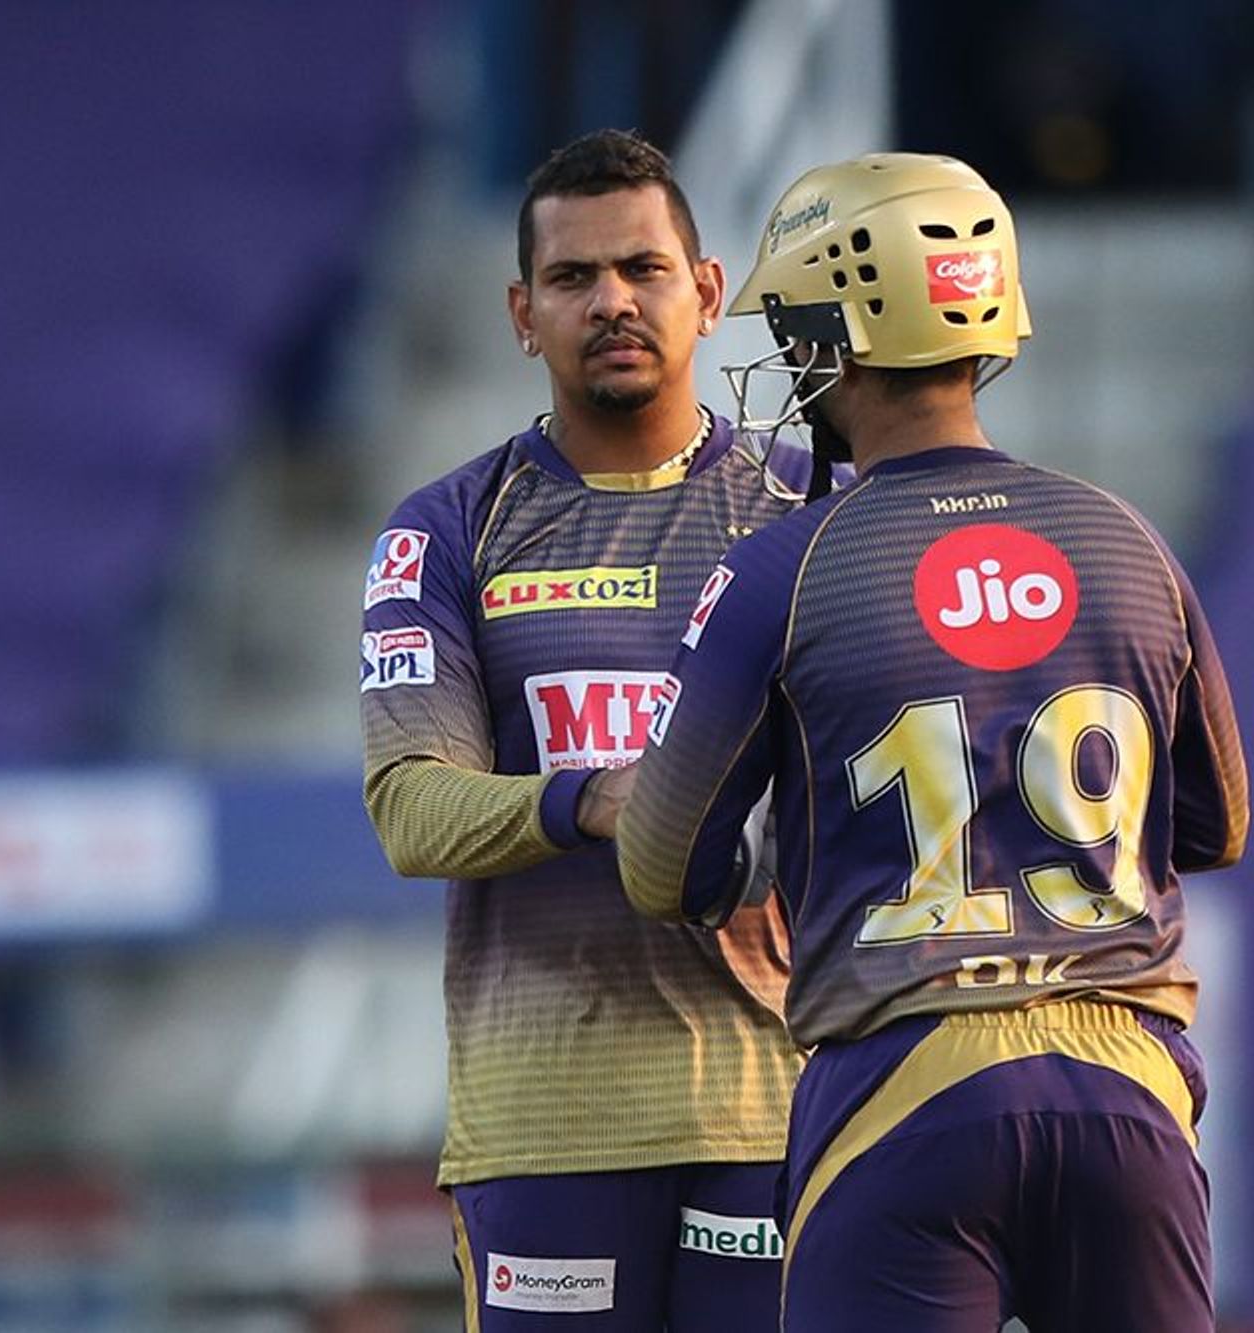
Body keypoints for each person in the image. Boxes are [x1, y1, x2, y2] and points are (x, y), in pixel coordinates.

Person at [616, 152, 1249, 1332]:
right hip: (1127, 1089)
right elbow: (1215, 827)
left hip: (903, 1089)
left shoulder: (783, 568)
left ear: (840, 334)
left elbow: (660, 866)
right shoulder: (1124, 539)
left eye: (794, 326)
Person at [359, 128, 812, 1332]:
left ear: (705, 292)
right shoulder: (445, 529)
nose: (611, 300)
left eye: (642, 268)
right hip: (545, 1120)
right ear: (523, 313)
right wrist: (600, 799)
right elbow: (410, 807)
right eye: (571, 277)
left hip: (776, 1105)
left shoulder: (814, 508)